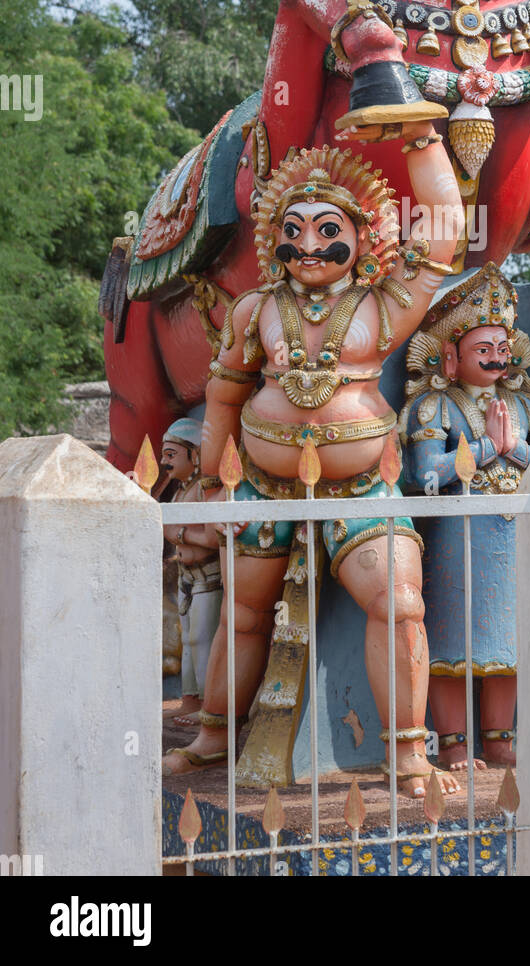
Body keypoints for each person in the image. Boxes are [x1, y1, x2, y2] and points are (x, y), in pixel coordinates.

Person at [163, 126, 464, 798]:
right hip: (265, 488)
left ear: (362, 239)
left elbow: (443, 234)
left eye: (327, 229)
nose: (307, 243)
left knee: (401, 603)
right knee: (242, 614)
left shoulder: (385, 304)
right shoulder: (255, 309)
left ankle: (407, 754)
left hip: (360, 489)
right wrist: (213, 481)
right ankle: (214, 738)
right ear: (274, 240)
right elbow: (224, 394)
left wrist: (419, 137)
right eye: (291, 230)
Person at [400, 263, 530, 769]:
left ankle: (499, 738)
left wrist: (511, 449)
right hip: (454, 539)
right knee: (452, 642)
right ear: (451, 357)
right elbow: (424, 476)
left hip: (513, 536)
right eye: (482, 350)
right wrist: (490, 445)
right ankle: (454, 745)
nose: (494, 359)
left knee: (509, 640)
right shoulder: (434, 409)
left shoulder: (529, 406)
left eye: (501, 349)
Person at [160, 418, 222, 729]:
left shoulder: (205, 489)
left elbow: (212, 538)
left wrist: (179, 532)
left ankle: (210, 704)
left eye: (171, 455)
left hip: (207, 576)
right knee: (187, 641)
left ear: (194, 455)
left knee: (201, 639)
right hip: (187, 576)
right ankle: (190, 700)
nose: (163, 462)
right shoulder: (182, 491)